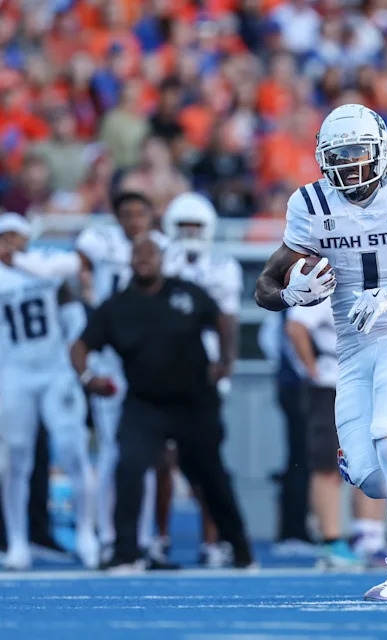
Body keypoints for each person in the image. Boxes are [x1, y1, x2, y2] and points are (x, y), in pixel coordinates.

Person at [254, 104, 387, 600]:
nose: (349, 165)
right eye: (338, 155)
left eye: (357, 152)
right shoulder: (310, 204)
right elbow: (264, 285)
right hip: (351, 350)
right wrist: (291, 296)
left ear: (381, 151)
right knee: (372, 479)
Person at [70, 235, 253, 571]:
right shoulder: (117, 306)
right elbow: (80, 346)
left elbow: (222, 319)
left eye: (150, 254)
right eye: (137, 255)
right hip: (145, 403)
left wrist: (226, 361)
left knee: (210, 475)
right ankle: (126, 551)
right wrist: (88, 379)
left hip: (194, 401)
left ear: (161, 260)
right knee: (129, 469)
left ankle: (238, 547)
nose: (143, 260)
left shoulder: (185, 292)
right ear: (129, 262)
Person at [0, 213, 98, 570]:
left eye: (15, 235)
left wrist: (79, 364)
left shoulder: (47, 265)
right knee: (15, 460)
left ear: (27, 237)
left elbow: (75, 316)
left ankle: (87, 535)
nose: (9, 242)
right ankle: (17, 542)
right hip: (14, 373)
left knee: (73, 451)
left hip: (56, 371)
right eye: (3, 236)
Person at [74, 191, 167, 562]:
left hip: (146, 359)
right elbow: (77, 261)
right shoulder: (100, 241)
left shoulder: (162, 247)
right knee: (114, 451)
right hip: (111, 356)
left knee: (144, 454)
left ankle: (140, 538)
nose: (134, 221)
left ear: (150, 216)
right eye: (126, 213)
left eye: (139, 213)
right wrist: (87, 291)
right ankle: (111, 536)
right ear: (117, 217)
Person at [157, 192, 244, 567]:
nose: (190, 233)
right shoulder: (159, 259)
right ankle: (158, 539)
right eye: (184, 227)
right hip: (162, 370)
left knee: (205, 461)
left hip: (203, 372)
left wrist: (225, 366)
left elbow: (229, 320)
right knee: (162, 461)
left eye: (196, 226)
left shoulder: (224, 265)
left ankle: (212, 540)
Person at [284, 299, 362, 568]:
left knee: (374, 459)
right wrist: (313, 370)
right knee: (328, 463)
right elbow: (295, 327)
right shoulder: (322, 287)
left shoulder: (373, 280)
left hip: (365, 383)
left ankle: (368, 536)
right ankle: (331, 540)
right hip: (331, 385)